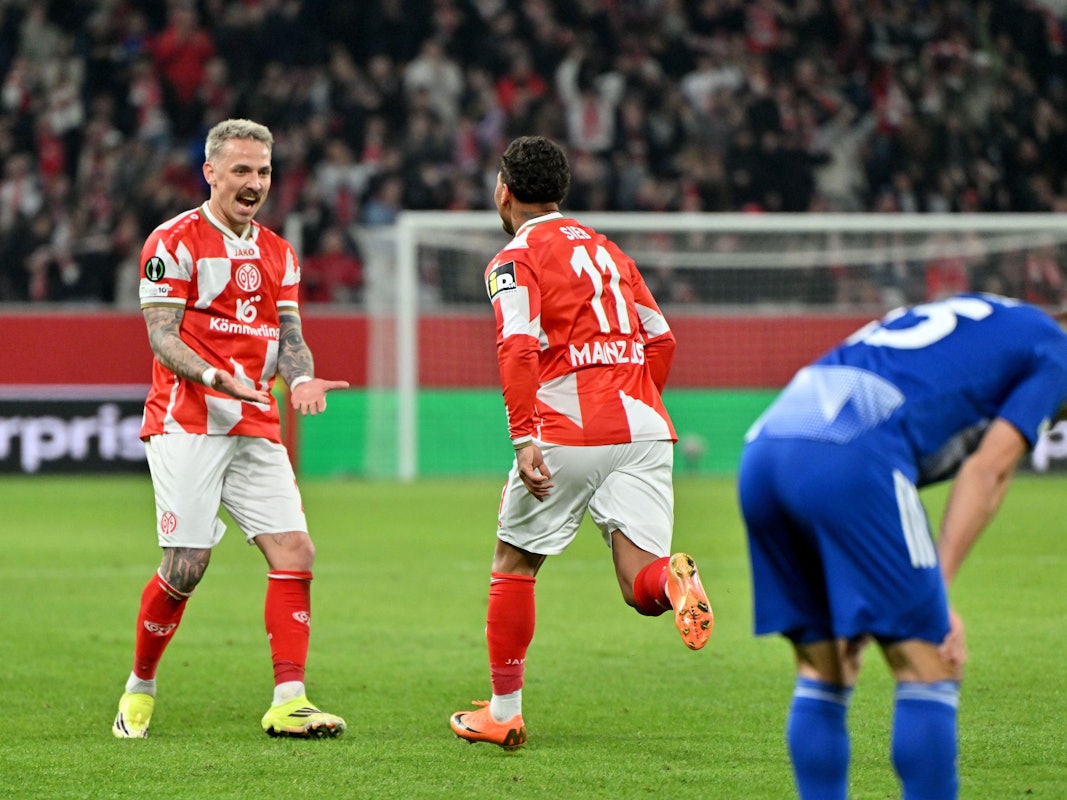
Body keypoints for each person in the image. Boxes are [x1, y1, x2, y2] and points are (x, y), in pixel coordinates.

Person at [737, 293, 1067, 798]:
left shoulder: (995, 317)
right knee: (929, 662)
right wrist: (938, 594)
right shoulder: (1055, 351)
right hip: (851, 454)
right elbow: (989, 469)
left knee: (825, 668)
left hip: (766, 448)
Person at [449, 135, 713, 751]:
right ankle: (674, 582)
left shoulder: (513, 260)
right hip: (645, 426)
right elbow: (662, 339)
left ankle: (504, 713)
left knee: (515, 564)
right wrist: (635, 402)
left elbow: (517, 346)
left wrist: (524, 438)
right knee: (638, 585)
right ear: (562, 192)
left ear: (503, 191)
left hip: (567, 425)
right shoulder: (609, 251)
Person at [112, 118, 350, 739]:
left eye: (263, 172)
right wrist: (219, 379)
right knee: (187, 563)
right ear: (210, 172)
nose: (253, 183)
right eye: (241, 170)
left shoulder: (279, 252)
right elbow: (162, 336)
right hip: (187, 420)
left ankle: (290, 699)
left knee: (295, 550)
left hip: (254, 420)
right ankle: (141, 684)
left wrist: (299, 380)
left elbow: (291, 337)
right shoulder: (175, 240)